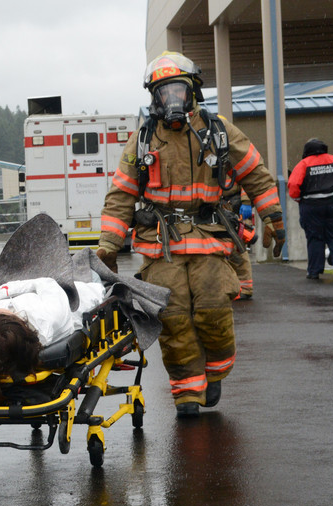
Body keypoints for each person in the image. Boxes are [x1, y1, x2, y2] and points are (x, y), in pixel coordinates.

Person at [96, 51, 286, 418]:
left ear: (192, 91)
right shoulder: (142, 141)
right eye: (163, 92)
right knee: (173, 317)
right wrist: (108, 244)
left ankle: (215, 372)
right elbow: (120, 195)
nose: (171, 100)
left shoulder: (218, 130)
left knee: (213, 308)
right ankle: (186, 393)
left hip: (210, 238)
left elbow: (255, 173)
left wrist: (274, 218)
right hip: (160, 245)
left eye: (177, 91)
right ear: (154, 96)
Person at [288, 138, 333, 279]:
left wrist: (301, 200)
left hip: (312, 206)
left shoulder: (303, 164)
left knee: (315, 237)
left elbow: (293, 186)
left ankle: (314, 271)